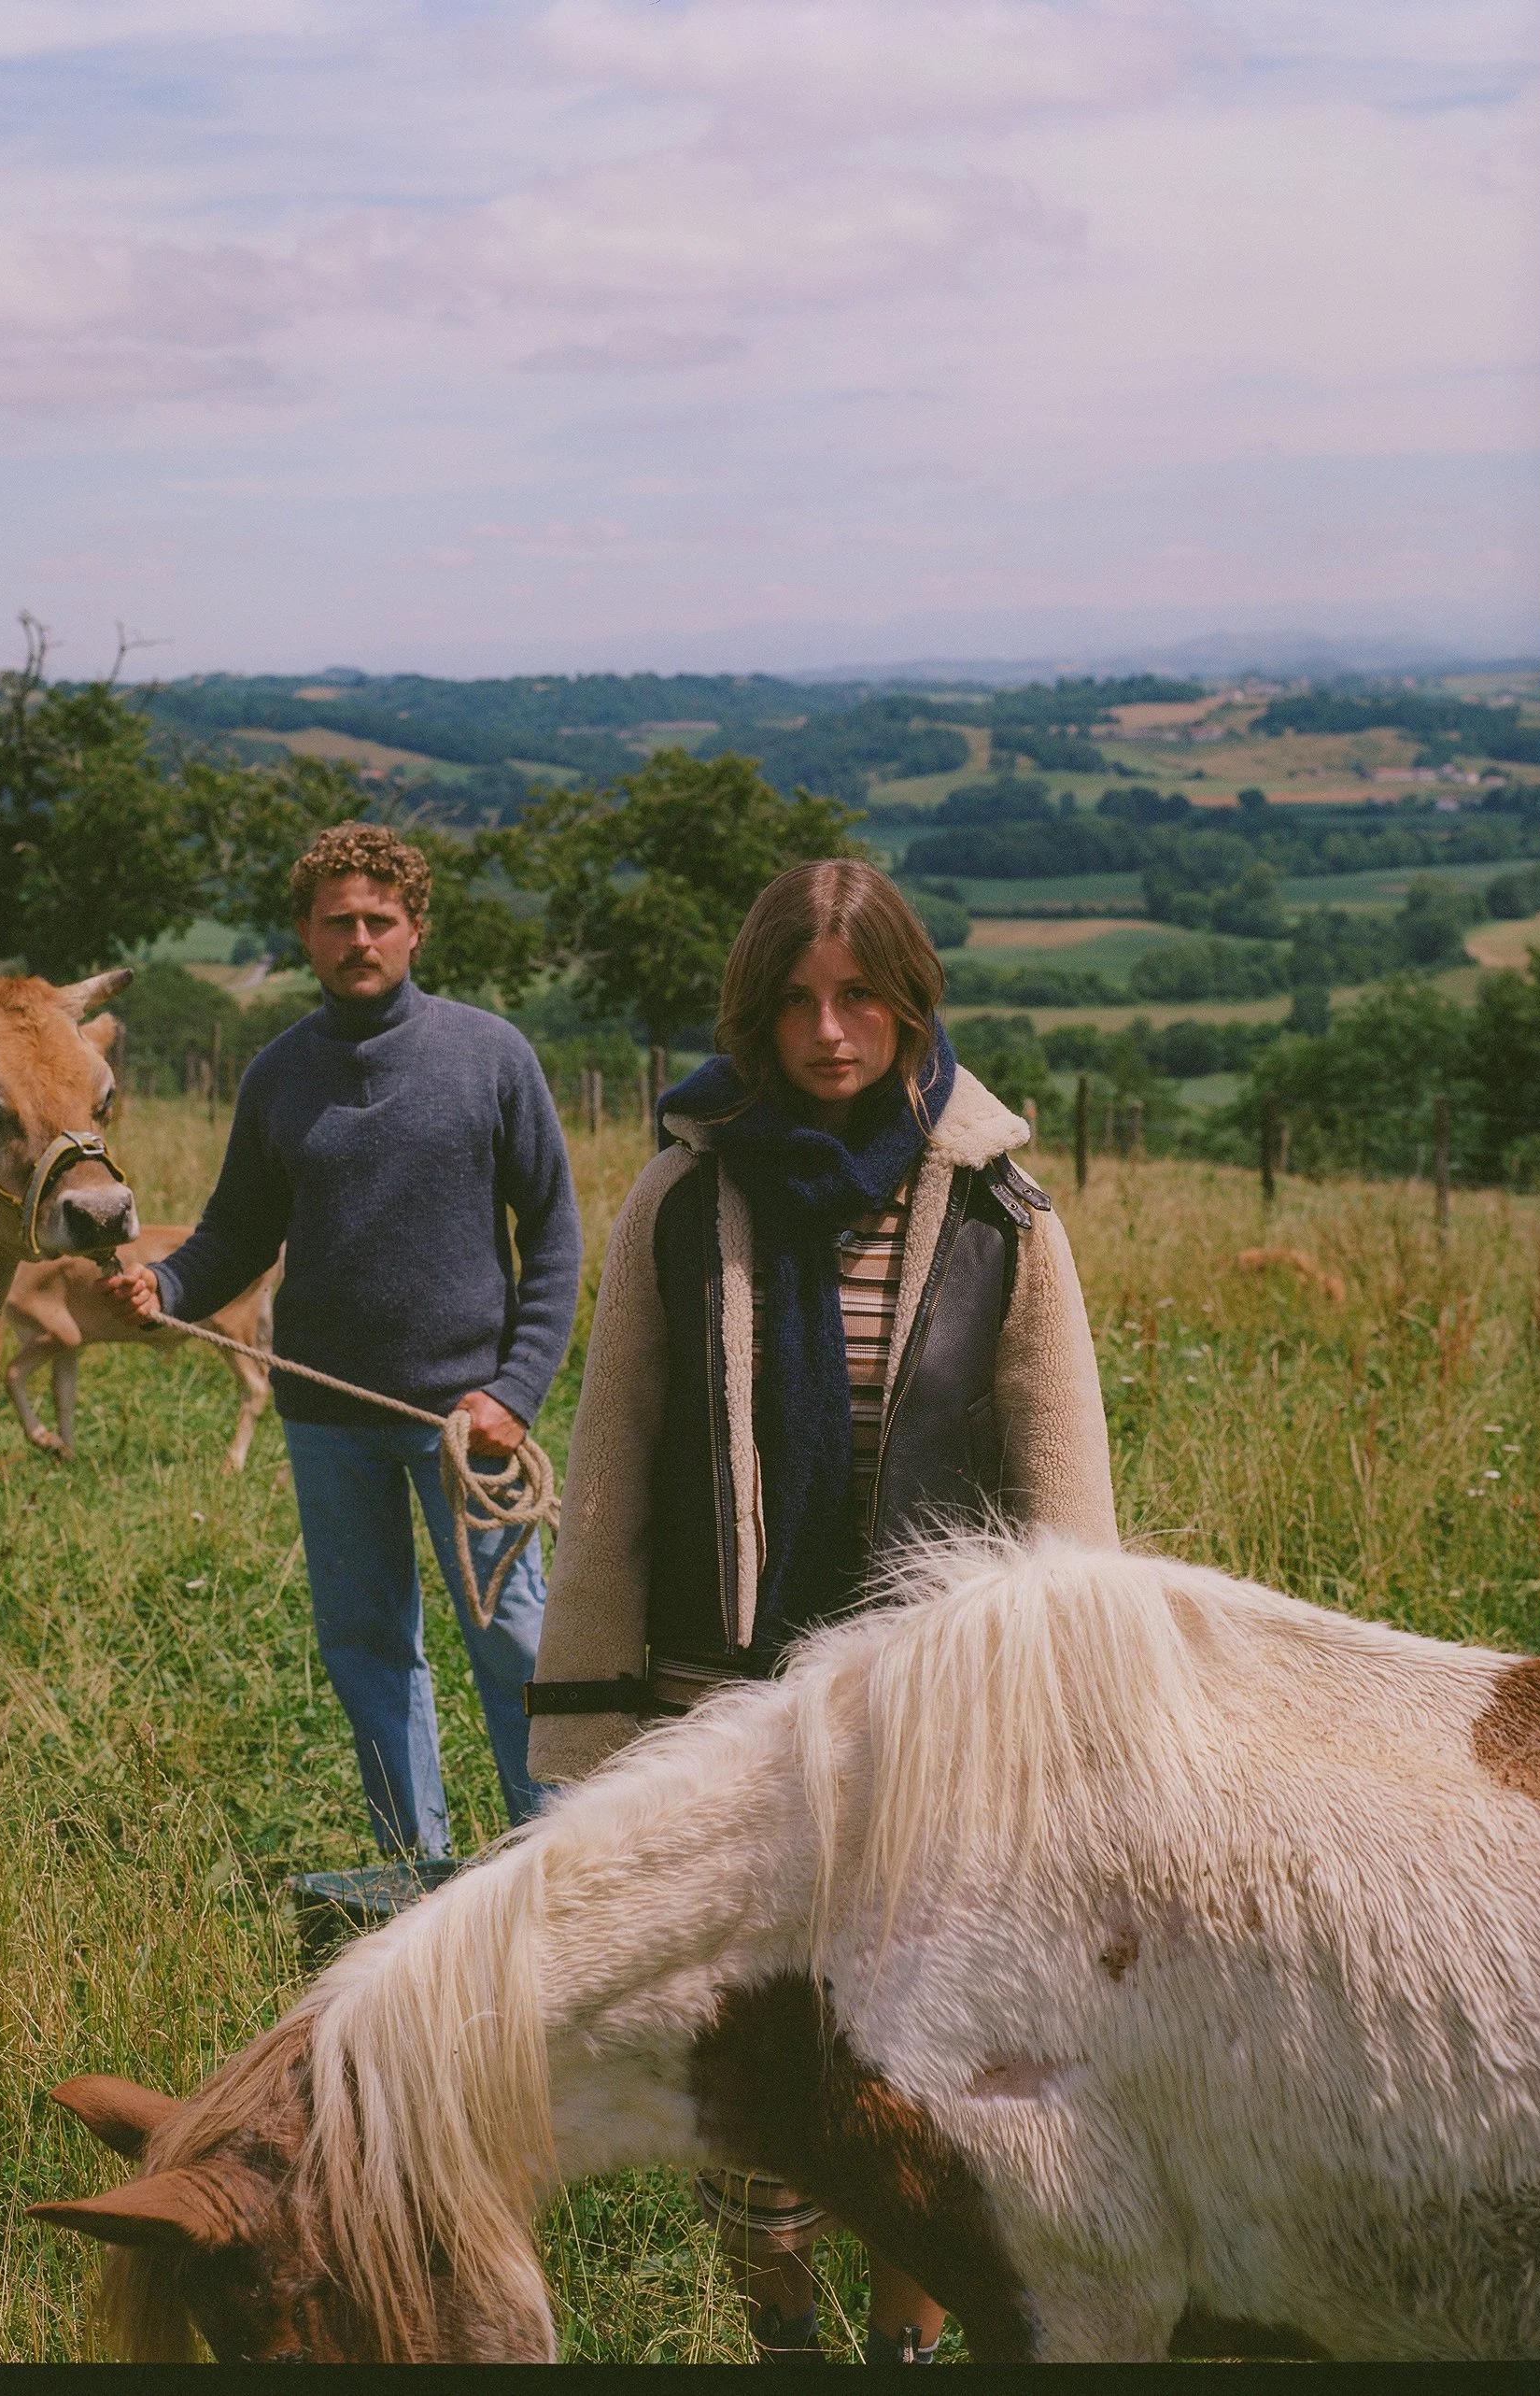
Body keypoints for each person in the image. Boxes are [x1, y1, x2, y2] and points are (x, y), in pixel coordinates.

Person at [525, 858, 1118, 2363]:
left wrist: (1087, 1733)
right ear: (755, 1010)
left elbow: (1066, 1499)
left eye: (860, 996)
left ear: (911, 1001)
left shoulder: (1000, 1211)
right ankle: (779, 2326)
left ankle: (905, 2339)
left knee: (924, 2054)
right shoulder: (680, 1196)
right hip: (729, 1701)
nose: (831, 1032)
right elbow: (610, 1472)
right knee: (762, 2054)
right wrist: (594, 1727)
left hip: (940, 1722)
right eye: (796, 1001)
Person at [107, 823, 582, 1859]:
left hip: (467, 1421)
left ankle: (554, 1866)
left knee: (515, 1642)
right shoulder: (278, 1076)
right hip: (328, 1422)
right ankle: (413, 1874)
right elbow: (234, 1231)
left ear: (414, 930)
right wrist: (167, 1286)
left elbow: (552, 1232)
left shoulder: (490, 1054)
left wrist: (518, 1388)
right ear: (306, 937)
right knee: (367, 1651)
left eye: (378, 919)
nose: (358, 938)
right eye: (336, 922)